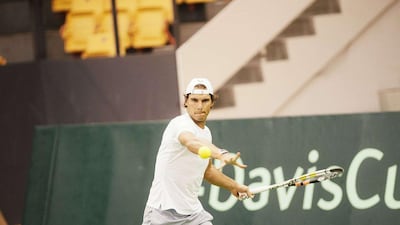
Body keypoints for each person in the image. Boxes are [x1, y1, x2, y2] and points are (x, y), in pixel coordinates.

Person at [141, 78, 253, 225]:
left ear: (212, 103)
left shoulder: (206, 133)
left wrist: (234, 185)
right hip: (162, 214)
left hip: (193, 215)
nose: (200, 106)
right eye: (194, 100)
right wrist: (221, 154)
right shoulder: (179, 124)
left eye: (205, 100)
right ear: (186, 101)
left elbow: (208, 172)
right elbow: (191, 141)